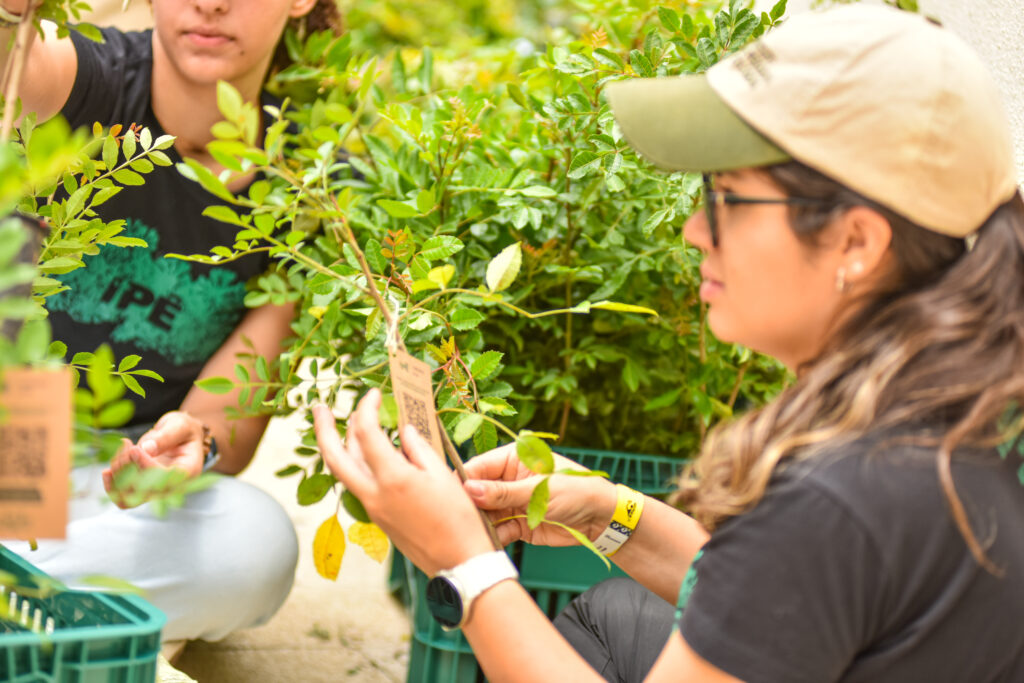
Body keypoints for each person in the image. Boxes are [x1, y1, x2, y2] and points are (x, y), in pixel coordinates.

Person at [313, 5, 1024, 682]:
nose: (694, 230)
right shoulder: (951, 416)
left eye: (728, 197)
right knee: (620, 613)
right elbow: (788, 597)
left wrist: (462, 562)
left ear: (855, 241)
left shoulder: (835, 495)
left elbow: (806, 549)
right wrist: (607, 512)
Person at [1, 0, 340, 643]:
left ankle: (24, 600)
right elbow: (19, 65)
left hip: (112, 488)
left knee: (257, 546)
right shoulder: (91, 80)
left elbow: (228, 427)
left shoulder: (311, 181)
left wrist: (192, 444)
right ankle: (58, 614)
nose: (212, 3)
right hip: (16, 438)